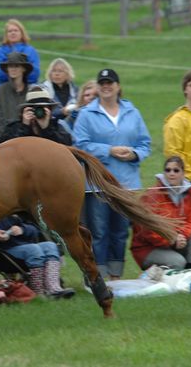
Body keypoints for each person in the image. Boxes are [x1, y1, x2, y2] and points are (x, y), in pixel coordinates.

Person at [73, 68, 151, 279]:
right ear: (98, 87)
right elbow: (79, 145)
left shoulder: (132, 112)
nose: (106, 86)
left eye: (110, 83)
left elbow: (145, 143)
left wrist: (134, 154)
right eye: (102, 83)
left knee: (120, 231)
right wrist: (109, 150)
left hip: (126, 183)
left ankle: (116, 276)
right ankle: (98, 275)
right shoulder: (87, 114)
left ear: (118, 87)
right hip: (97, 183)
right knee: (98, 231)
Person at [130, 156, 191, 271]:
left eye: (176, 170)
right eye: (168, 170)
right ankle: (154, 277)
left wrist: (181, 236)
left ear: (183, 173)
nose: (171, 173)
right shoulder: (152, 194)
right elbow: (148, 230)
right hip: (148, 248)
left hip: (175, 241)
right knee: (177, 262)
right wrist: (172, 239)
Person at [0, 215, 75, 298]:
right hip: (4, 253)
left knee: (50, 246)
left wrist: (22, 229)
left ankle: (53, 288)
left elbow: (34, 229)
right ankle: (39, 292)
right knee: (33, 249)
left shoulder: (15, 212)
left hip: (26, 247)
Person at [0, 86, 72, 146]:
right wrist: (24, 127)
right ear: (26, 110)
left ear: (49, 110)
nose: (39, 111)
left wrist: (46, 129)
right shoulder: (13, 127)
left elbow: (65, 148)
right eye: (35, 108)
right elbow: (5, 148)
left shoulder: (57, 127)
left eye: (43, 108)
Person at [0, 52, 34, 141]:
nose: (13, 69)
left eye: (17, 66)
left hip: (30, 137)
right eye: (10, 66)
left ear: (24, 69)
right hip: (5, 138)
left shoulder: (32, 91)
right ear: (7, 69)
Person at [0, 19, 40, 87]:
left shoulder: (30, 50)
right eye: (10, 31)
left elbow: (34, 73)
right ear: (6, 34)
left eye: (16, 30)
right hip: (3, 88)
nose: (13, 33)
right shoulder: (0, 51)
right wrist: (16, 75)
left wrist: (19, 79)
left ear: (22, 33)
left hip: (27, 88)